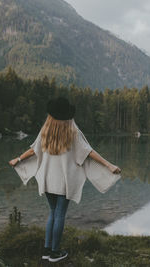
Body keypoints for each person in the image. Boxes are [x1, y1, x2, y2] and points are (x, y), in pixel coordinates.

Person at [9, 97, 121, 263]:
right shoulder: (72, 131)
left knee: (52, 213)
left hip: (47, 179)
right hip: (64, 181)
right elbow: (88, 152)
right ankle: (55, 253)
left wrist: (18, 159)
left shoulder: (45, 130)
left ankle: (46, 251)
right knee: (60, 214)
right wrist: (108, 165)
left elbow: (33, 150)